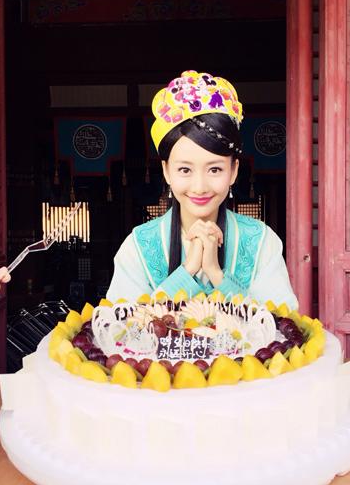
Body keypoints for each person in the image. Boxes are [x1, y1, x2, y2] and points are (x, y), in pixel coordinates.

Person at [107, 70, 298, 309]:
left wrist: (216, 274)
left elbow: (283, 324)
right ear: (166, 171)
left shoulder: (261, 242)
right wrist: (187, 271)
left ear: (234, 170)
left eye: (214, 169)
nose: (199, 187)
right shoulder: (138, 246)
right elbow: (120, 324)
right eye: (185, 170)